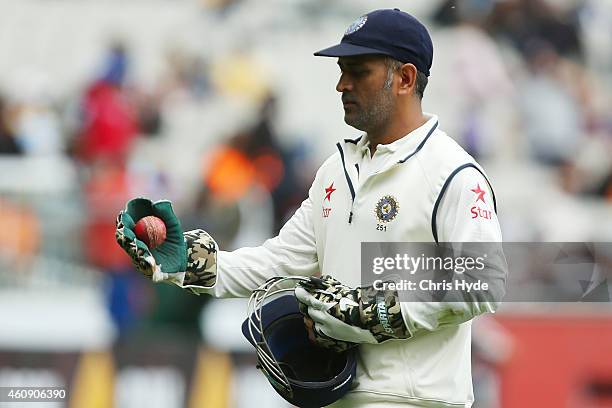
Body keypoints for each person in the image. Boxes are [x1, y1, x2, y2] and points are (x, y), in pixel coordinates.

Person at [116, 8, 504, 408]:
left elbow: (484, 282)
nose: (341, 84)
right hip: (339, 398)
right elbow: (278, 262)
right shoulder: (336, 169)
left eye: (358, 71)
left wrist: (379, 309)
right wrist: (186, 263)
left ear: (405, 78)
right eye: (341, 70)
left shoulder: (451, 173)